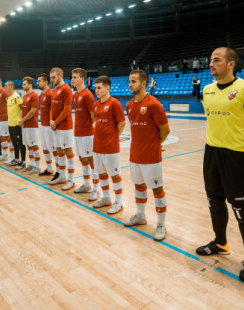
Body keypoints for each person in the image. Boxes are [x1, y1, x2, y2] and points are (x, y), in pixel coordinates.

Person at [196, 47, 244, 283]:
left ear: (231, 64)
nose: (211, 64)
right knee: (214, 201)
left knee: (241, 207)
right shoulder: (207, 90)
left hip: (238, 156)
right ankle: (220, 243)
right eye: (210, 60)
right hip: (212, 152)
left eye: (216, 60)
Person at [125, 69, 170, 241]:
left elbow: (165, 130)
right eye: (129, 81)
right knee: (139, 185)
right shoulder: (129, 105)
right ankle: (140, 215)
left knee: (157, 189)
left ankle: (161, 224)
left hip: (151, 157)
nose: (130, 84)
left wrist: (154, 145)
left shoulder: (154, 104)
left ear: (144, 83)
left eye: (134, 81)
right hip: (134, 155)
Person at [90, 76, 126, 214]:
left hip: (111, 147)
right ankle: (106, 198)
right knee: (101, 173)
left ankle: (118, 202)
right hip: (97, 145)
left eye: (99, 88)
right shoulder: (96, 104)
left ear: (107, 88)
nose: (96, 90)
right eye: (95, 88)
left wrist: (113, 137)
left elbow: (122, 123)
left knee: (114, 175)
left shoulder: (115, 103)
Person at [71, 68, 99, 200]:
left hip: (87, 133)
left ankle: (96, 189)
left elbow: (94, 115)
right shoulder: (75, 95)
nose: (72, 79)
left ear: (82, 79)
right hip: (77, 132)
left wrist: (87, 126)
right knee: (82, 158)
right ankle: (87, 185)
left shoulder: (87, 95)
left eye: (75, 77)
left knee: (91, 160)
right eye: (72, 77)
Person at [49, 67, 75, 190]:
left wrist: (56, 122)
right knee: (59, 151)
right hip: (56, 126)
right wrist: (51, 120)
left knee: (68, 152)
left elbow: (67, 109)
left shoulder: (66, 89)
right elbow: (52, 107)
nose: (52, 80)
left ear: (60, 76)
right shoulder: (54, 90)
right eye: (51, 78)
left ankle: (71, 180)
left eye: (54, 77)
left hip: (65, 127)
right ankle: (62, 176)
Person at [19, 76, 42, 174]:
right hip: (25, 125)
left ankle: (38, 166)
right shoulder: (25, 96)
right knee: (28, 145)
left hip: (32, 125)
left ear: (30, 84)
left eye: (24, 84)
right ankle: (32, 164)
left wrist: (23, 120)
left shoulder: (34, 96)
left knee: (34, 145)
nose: (22, 86)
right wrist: (21, 120)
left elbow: (33, 111)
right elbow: (23, 110)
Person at [37, 73, 57, 177]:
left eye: (39, 81)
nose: (37, 83)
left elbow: (54, 109)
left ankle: (59, 171)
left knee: (53, 149)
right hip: (43, 125)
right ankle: (49, 169)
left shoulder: (50, 93)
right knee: (45, 148)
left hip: (49, 127)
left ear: (45, 82)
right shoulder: (42, 94)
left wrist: (52, 121)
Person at [4, 81, 25, 167]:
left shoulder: (16, 96)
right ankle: (16, 159)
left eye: (6, 86)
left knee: (20, 143)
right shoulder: (9, 98)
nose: (5, 87)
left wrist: (21, 120)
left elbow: (23, 108)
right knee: (14, 143)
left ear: (11, 87)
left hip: (17, 124)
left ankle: (23, 162)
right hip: (10, 124)